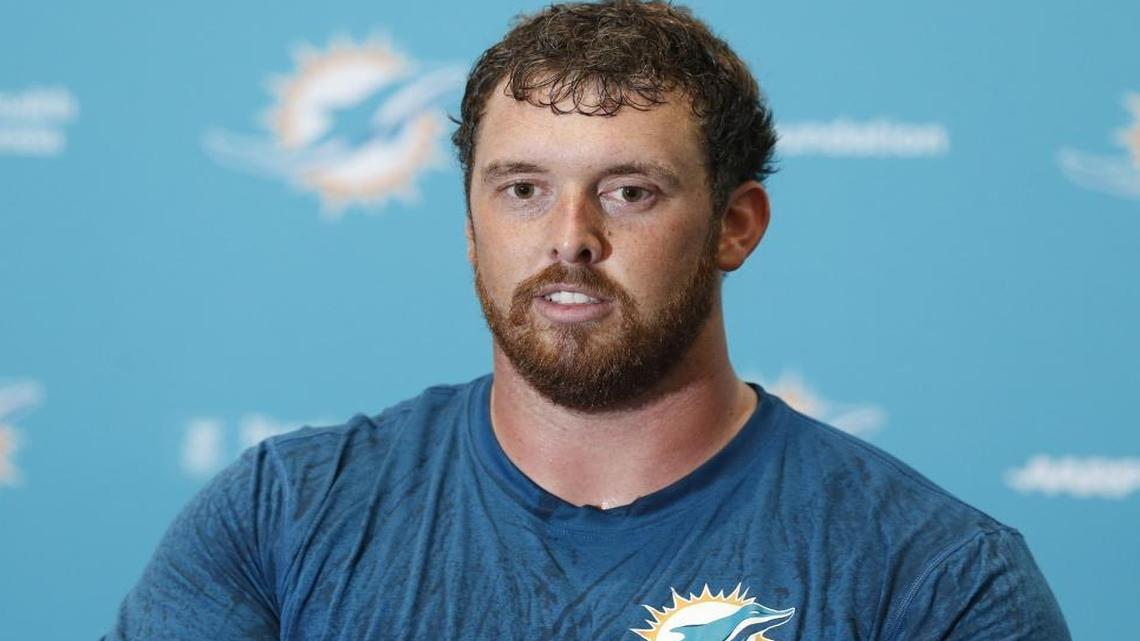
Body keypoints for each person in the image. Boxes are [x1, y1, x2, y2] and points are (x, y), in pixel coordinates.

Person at [103, 1, 1071, 639]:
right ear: (472, 223)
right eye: (523, 188)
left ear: (736, 225)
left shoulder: (937, 577)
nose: (570, 237)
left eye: (631, 192)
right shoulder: (283, 514)